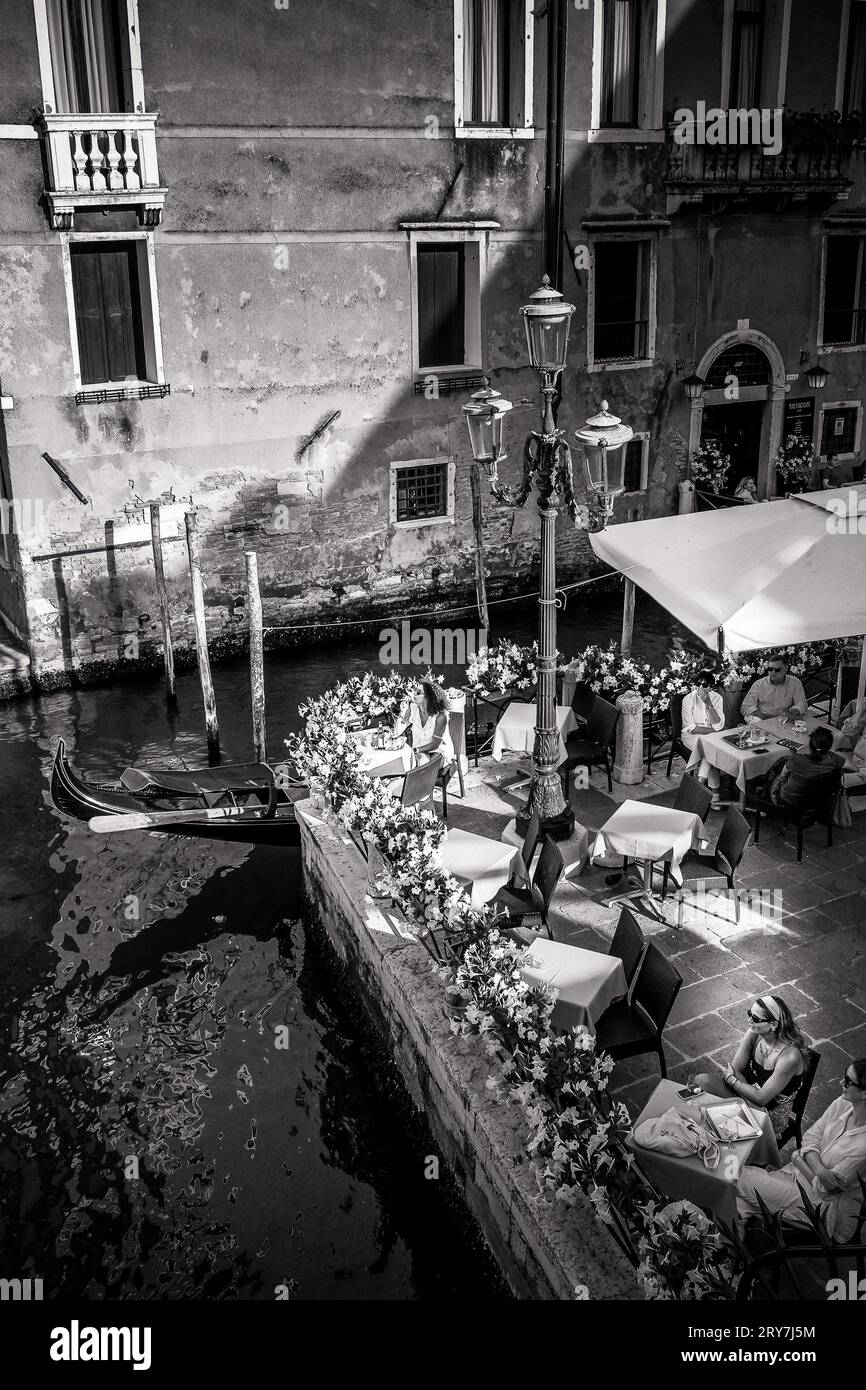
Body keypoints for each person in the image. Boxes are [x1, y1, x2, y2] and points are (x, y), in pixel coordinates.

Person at [736, 1060, 866, 1244]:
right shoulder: (843, 1103)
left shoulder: (863, 1148)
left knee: (734, 1173)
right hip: (796, 1175)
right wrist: (819, 1170)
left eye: (848, 1080)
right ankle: (730, 1255)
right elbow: (811, 1137)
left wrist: (798, 1158)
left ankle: (729, 1247)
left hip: (817, 1206)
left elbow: (825, 1191)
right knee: (737, 1201)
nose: (841, 1083)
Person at [693, 995, 809, 1141]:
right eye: (750, 1014)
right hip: (746, 1096)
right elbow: (735, 1068)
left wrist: (732, 1080)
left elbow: (762, 1098)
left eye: (755, 1018)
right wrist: (747, 1090)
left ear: (773, 1024)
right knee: (701, 1081)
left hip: (770, 1112)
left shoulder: (790, 1057)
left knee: (715, 1124)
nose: (749, 1021)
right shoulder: (755, 1033)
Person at [764, 726, 845, 809]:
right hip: (817, 801)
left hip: (788, 802)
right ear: (830, 746)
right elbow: (854, 768)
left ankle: (761, 792)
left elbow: (783, 776)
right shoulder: (835, 759)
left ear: (810, 744)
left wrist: (793, 757)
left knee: (776, 770)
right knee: (785, 763)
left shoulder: (797, 759)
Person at [680, 669, 725, 796]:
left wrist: (708, 704)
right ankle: (714, 792)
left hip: (710, 737)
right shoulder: (688, 699)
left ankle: (699, 787)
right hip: (691, 737)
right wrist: (712, 731)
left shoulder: (717, 698)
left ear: (711, 687)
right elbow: (691, 728)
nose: (700, 687)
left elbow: (718, 723)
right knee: (710, 749)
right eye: (698, 684)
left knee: (709, 751)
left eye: (704, 685)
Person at [396, 679, 454, 772]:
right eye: (415, 690)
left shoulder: (441, 716)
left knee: (427, 769)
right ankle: (421, 785)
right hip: (421, 749)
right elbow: (398, 731)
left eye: (418, 692)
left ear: (428, 697)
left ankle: (423, 785)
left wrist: (415, 750)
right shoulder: (413, 708)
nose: (414, 694)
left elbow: (435, 744)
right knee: (422, 765)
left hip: (439, 750)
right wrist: (402, 713)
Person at [740, 654, 807, 721]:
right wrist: (762, 717)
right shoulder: (759, 684)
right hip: (762, 719)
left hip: (784, 719)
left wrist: (792, 712)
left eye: (777, 669)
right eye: (770, 669)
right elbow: (746, 706)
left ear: (786, 669)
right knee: (755, 719)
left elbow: (802, 704)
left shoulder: (794, 682)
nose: (773, 672)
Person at [836, 699, 866, 796]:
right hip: (853, 762)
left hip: (863, 773)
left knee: (829, 781)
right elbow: (847, 731)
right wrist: (862, 710)